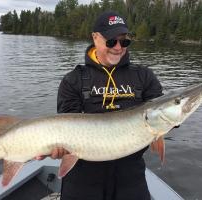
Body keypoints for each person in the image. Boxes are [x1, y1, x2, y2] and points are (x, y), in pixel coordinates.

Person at [50, 11, 162, 200]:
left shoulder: (144, 76)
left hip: (131, 181)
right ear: (95, 37)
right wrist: (60, 147)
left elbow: (163, 115)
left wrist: (182, 111)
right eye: (111, 41)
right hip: (82, 182)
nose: (118, 48)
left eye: (124, 41)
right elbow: (66, 127)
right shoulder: (73, 80)